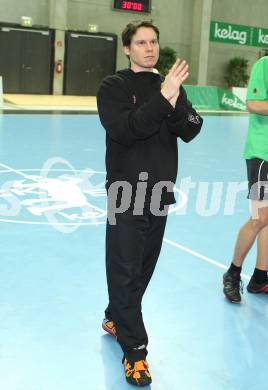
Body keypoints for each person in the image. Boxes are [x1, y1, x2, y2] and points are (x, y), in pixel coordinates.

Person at [97, 21, 203, 386]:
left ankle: (116, 315)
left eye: (154, 41)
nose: (149, 48)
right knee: (124, 270)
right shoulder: (113, 87)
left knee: (142, 267)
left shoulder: (169, 86)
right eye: (141, 42)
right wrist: (164, 98)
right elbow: (128, 129)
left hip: (159, 193)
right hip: (126, 193)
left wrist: (173, 99)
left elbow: (191, 127)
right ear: (127, 48)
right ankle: (135, 352)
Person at [223, 55, 268, 304]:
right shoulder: (264, 65)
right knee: (260, 217)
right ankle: (232, 273)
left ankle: (261, 277)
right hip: (262, 153)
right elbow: (253, 103)